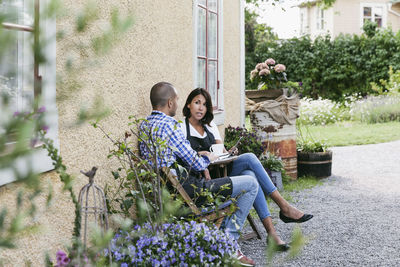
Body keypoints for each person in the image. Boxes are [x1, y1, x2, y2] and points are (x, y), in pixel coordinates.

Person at [139, 82, 258, 266]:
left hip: (164, 196)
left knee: (244, 179)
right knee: (250, 183)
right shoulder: (170, 126)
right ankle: (229, 243)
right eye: (177, 101)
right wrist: (207, 158)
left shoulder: (144, 126)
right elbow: (194, 162)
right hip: (188, 192)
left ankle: (224, 242)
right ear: (170, 102)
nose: (177, 105)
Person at [181, 88, 313, 251]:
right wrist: (201, 153)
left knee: (249, 163)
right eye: (197, 102)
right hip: (206, 182)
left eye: (204, 104)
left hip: (222, 171)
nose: (200, 107)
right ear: (188, 105)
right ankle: (281, 213)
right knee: (250, 169)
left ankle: (275, 228)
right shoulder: (182, 128)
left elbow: (220, 151)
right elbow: (184, 155)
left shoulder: (210, 125)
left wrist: (229, 152)